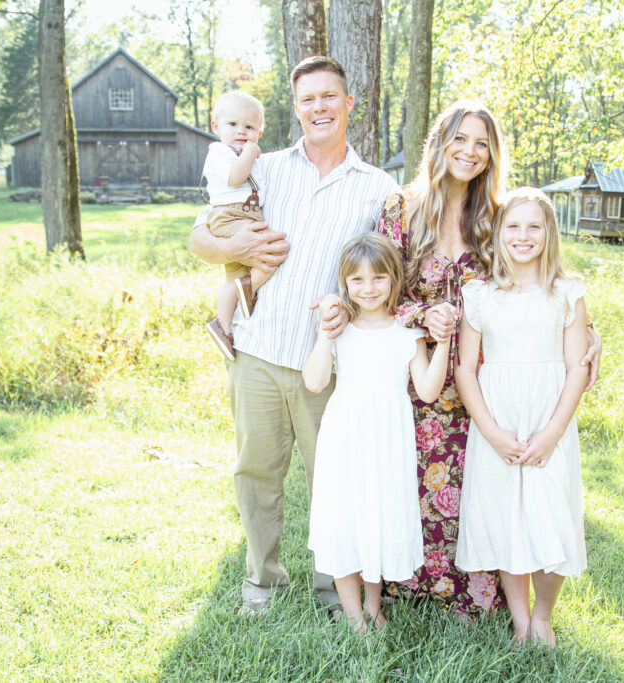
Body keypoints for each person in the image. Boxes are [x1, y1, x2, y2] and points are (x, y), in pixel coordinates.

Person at [373, 101, 603, 618]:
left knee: (484, 489)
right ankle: (412, 589)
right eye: (461, 139)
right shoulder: (401, 208)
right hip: (421, 376)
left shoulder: (497, 215)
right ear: (440, 141)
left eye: (482, 143)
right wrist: (422, 313)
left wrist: (589, 334)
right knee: (416, 483)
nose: (470, 152)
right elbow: (379, 294)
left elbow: (537, 282)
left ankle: (485, 597)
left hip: (491, 387)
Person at [189, 56, 398, 616]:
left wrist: (350, 313)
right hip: (256, 350)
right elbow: (200, 231)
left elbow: (386, 275)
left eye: (330, 96)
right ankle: (263, 582)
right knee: (256, 472)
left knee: (334, 477)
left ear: (349, 104)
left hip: (325, 361)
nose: (319, 108)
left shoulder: (377, 187)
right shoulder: (264, 167)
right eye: (308, 99)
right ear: (296, 108)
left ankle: (336, 588)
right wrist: (229, 250)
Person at [454, 188, 590, 647]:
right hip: (498, 421)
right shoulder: (480, 294)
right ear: (498, 232)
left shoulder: (567, 293)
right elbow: (465, 369)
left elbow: (577, 368)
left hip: (548, 419)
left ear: (549, 232)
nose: (523, 236)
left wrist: (553, 432)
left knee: (549, 514)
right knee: (507, 518)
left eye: (534, 226)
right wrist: (491, 431)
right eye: (513, 226)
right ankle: (519, 620)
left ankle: (543, 616)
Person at [303, 233, 449, 631]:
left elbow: (428, 389)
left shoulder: (407, 333)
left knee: (377, 516)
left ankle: (373, 604)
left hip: (388, 439)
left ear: (394, 280)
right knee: (346, 516)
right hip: (346, 434)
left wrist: (444, 342)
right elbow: (315, 381)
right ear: (345, 283)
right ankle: (353, 615)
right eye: (357, 281)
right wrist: (324, 333)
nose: (368, 289)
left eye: (379, 279)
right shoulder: (340, 328)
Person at [201, 91, 271, 361]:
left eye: (249, 127)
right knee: (273, 251)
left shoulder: (250, 157)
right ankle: (242, 290)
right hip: (229, 216)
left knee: (240, 271)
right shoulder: (219, 152)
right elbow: (235, 177)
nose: (241, 131)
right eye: (233, 124)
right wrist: (251, 152)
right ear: (215, 127)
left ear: (260, 131)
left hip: (245, 215)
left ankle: (224, 326)